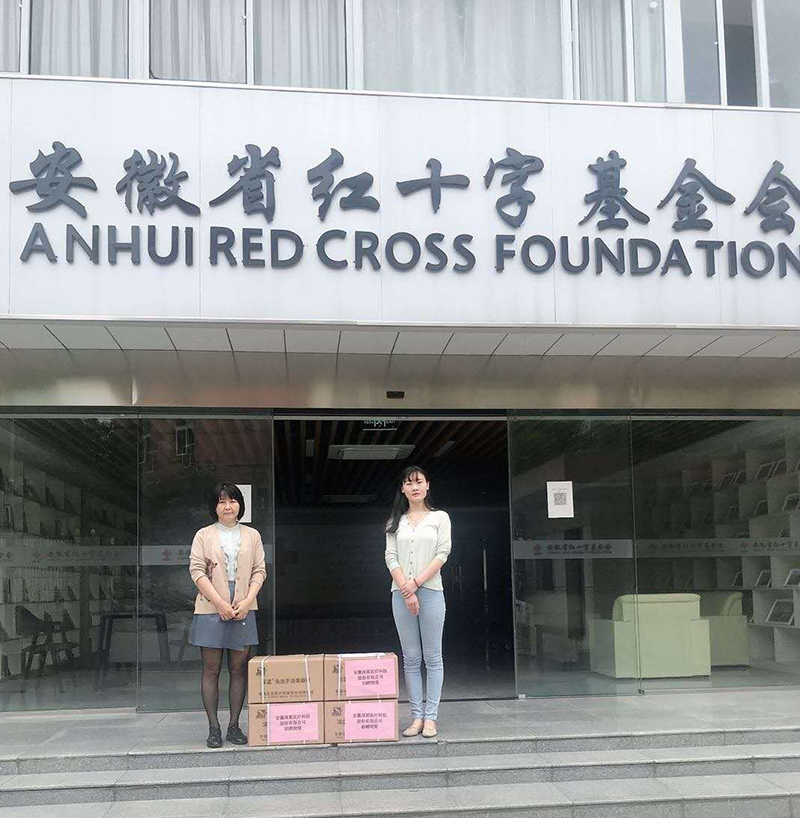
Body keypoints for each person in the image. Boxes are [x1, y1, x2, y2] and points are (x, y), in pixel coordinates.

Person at [189, 482, 266, 748]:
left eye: (232, 501)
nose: (227, 506)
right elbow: (197, 571)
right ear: (215, 507)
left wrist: (247, 601)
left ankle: (234, 726)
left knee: (238, 668)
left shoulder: (252, 535)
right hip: (211, 605)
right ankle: (214, 728)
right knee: (211, 669)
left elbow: (259, 571)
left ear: (240, 505)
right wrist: (220, 603)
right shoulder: (203, 535)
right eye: (221, 501)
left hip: (244, 605)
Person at [385, 465, 451, 739]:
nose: (414, 487)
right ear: (402, 488)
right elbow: (390, 557)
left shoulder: (440, 518)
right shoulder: (394, 521)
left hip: (431, 591)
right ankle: (416, 717)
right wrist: (407, 590)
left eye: (419, 482)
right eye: (409, 483)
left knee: (432, 657)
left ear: (427, 485)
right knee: (411, 658)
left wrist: (416, 584)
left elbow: (443, 553)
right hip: (401, 594)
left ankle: (431, 718)